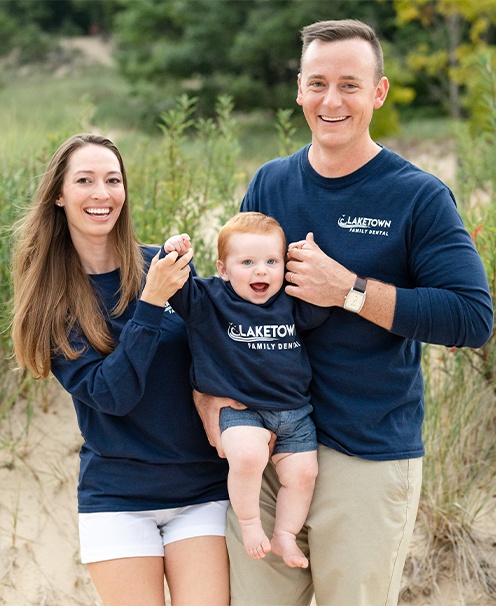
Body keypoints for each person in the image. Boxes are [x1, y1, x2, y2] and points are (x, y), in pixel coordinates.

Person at [192, 19, 494, 606]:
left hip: (367, 452)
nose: (332, 101)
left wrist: (349, 290)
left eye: (350, 85)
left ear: (378, 93)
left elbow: (471, 316)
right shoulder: (270, 183)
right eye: (318, 83)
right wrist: (211, 405)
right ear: (299, 90)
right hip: (267, 452)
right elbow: (225, 310)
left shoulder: (418, 195)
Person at [11, 133, 231, 606]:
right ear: (58, 194)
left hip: (203, 490)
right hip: (118, 498)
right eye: (85, 180)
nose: (101, 194)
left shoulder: (163, 265)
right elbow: (114, 394)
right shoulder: (51, 304)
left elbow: (219, 344)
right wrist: (150, 303)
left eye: (113, 180)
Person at [162, 212, 330, 569]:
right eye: (248, 262)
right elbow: (180, 290)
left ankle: (285, 535)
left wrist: (313, 265)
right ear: (223, 269)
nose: (261, 272)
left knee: (303, 474)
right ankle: (251, 524)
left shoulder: (290, 300)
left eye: (272, 261)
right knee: (248, 456)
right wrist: (174, 253)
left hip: (296, 414)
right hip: (242, 410)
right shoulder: (210, 300)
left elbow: (318, 310)